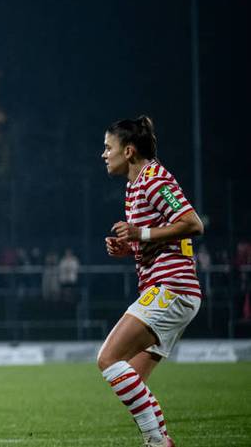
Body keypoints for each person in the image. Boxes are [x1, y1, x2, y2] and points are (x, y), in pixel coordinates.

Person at [99, 116, 204, 447]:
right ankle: (157, 440)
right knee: (132, 377)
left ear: (128, 151)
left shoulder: (155, 179)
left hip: (172, 288)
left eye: (108, 147)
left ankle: (158, 441)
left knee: (108, 359)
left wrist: (139, 233)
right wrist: (129, 246)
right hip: (168, 290)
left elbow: (192, 224)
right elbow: (158, 239)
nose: (103, 154)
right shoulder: (136, 184)